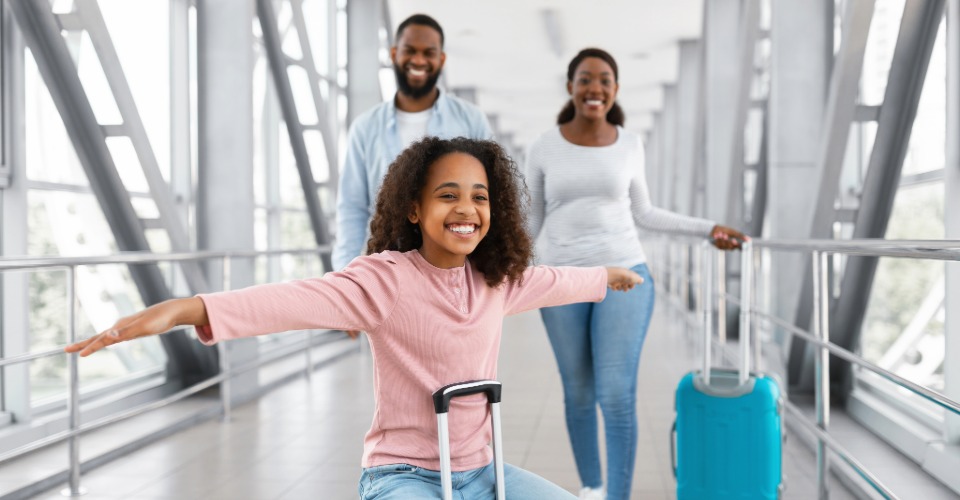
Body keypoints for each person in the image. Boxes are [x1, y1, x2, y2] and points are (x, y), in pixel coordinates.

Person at [66, 137, 644, 499]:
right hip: (403, 477)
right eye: (448, 195)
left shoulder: (493, 280)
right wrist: (186, 309)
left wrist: (607, 275)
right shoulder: (384, 279)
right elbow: (290, 300)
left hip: (483, 473)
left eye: (480, 196)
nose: (467, 209)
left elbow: (553, 281)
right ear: (414, 209)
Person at [524, 48, 746, 500]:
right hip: (560, 279)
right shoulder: (544, 146)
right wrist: (494, 270)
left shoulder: (629, 143)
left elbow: (645, 213)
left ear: (615, 90)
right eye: (586, 79)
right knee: (579, 394)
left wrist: (708, 229)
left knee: (617, 394)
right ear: (570, 87)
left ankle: (617, 497)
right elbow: (531, 221)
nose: (595, 88)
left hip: (624, 275)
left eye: (605, 80)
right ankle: (592, 487)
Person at [333, 13, 492, 272]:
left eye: (428, 52)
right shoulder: (365, 127)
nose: (418, 60)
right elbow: (352, 207)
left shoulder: (470, 120)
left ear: (441, 59)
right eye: (410, 51)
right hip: (387, 267)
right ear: (394, 53)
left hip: (455, 265)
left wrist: (487, 266)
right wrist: (345, 273)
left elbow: (490, 194)